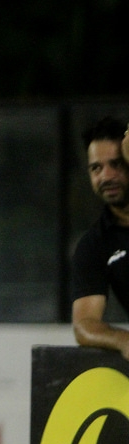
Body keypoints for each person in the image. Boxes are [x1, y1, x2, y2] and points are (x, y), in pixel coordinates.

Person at [71, 116, 129, 357]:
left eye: (117, 164)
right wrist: (124, 340)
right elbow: (84, 324)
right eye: (96, 168)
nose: (106, 177)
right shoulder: (94, 245)